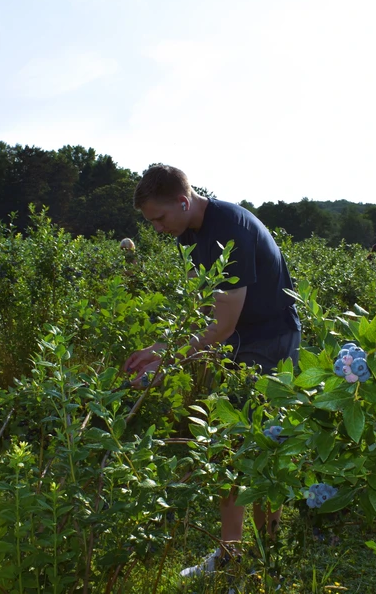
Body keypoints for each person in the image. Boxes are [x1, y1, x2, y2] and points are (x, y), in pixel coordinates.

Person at [123, 163, 302, 578]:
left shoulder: (228, 229)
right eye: (150, 223)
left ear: (183, 201)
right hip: (243, 338)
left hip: (271, 340)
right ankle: (236, 553)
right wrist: (157, 348)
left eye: (159, 219)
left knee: (256, 445)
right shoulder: (188, 231)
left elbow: (222, 325)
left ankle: (264, 557)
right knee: (232, 445)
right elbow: (201, 308)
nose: (157, 229)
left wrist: (166, 363)